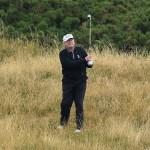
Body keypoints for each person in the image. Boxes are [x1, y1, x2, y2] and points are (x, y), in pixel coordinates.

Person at [58, 34, 93, 133]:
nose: (70, 42)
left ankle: (79, 127)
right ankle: (63, 123)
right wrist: (83, 60)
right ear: (65, 43)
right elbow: (69, 65)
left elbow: (87, 63)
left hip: (80, 81)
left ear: (74, 41)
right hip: (68, 82)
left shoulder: (80, 50)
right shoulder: (62, 54)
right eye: (68, 41)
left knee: (79, 103)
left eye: (72, 40)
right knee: (66, 103)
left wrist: (90, 63)